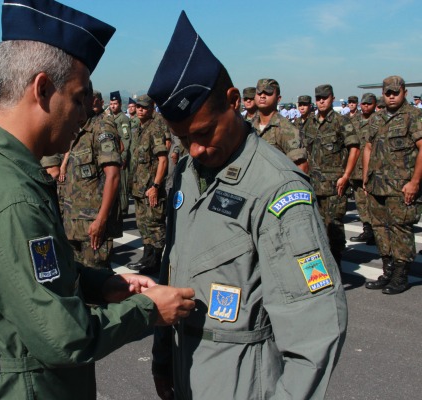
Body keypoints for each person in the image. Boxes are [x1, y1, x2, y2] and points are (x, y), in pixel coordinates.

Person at [0, 2, 195, 399]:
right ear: (42, 89)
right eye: (77, 99)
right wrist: (149, 310)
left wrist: (104, 283)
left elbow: (23, 275)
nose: (82, 115)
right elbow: (63, 338)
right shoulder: (12, 196)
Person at [148, 12, 347, 400]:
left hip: (243, 380)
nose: (194, 149)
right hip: (186, 367)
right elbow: (172, 269)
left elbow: (316, 327)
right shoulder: (187, 172)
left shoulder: (276, 188)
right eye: (182, 137)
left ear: (234, 101)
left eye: (204, 132)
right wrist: (161, 356)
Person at [363, 76, 422, 295]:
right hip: (377, 185)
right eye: (387, 92)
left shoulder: (414, 116)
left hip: (401, 187)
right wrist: (366, 177)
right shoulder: (377, 119)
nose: (391, 96)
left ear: (404, 92)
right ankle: (388, 270)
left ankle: (400, 275)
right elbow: (367, 147)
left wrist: (415, 182)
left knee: (401, 230)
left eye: (395, 92)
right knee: (379, 229)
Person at [61, 85, 122, 269]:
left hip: (93, 229)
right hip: (72, 227)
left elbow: (113, 176)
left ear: (89, 99)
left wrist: (101, 220)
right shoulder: (76, 130)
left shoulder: (101, 127)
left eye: (78, 99)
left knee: (98, 287)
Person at [305, 84, 359, 267]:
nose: (321, 101)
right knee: (316, 227)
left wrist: (346, 176)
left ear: (332, 98)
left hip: (334, 185)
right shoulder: (310, 123)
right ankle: (323, 265)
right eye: (318, 98)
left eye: (325, 98)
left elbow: (354, 148)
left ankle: (336, 263)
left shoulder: (340, 121)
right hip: (313, 184)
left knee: (334, 226)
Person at [127, 94, 169, 275]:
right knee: (143, 224)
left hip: (151, 188)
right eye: (138, 107)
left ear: (152, 109)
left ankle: (156, 261)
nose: (140, 110)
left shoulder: (155, 129)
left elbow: (163, 160)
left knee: (155, 225)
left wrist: (156, 186)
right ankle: (147, 258)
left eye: (144, 107)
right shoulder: (139, 129)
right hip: (139, 188)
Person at [251, 78, 309, 173]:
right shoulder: (250, 126)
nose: (262, 96)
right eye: (259, 93)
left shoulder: (286, 129)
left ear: (278, 99)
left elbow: (301, 168)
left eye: (268, 93)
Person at [349, 93, 377, 245]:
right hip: (356, 169)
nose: (365, 106)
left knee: (373, 203)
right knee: (360, 202)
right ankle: (367, 229)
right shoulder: (353, 121)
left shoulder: (378, 120)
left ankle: (377, 231)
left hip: (372, 170)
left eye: (369, 104)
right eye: (364, 104)